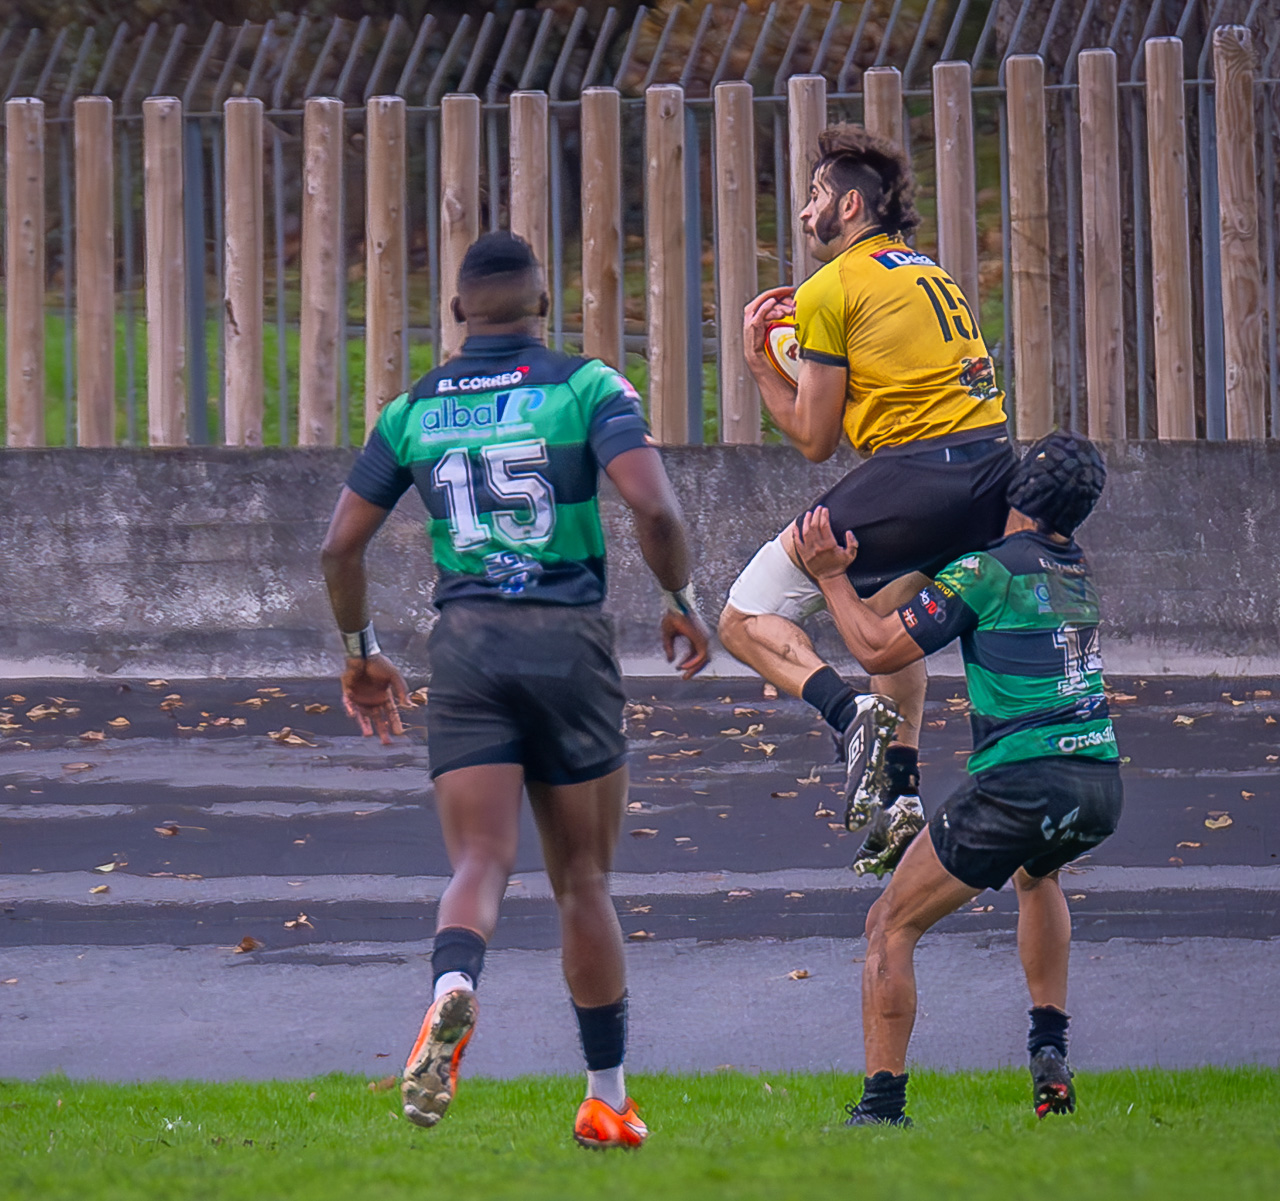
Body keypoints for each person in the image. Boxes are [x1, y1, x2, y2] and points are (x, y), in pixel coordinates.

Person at [319, 231, 710, 1149]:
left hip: (468, 650)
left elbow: (339, 547)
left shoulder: (411, 408)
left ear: (457, 313)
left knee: (479, 862)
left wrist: (360, 648)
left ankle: (454, 986)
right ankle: (606, 1095)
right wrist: (680, 598)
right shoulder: (586, 387)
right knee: (583, 878)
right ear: (543, 305)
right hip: (567, 645)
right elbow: (654, 506)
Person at [788, 431, 1123, 1126]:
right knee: (1039, 876)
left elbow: (879, 644)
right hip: (1097, 781)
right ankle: (1048, 1051)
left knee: (889, 922)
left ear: (1016, 493)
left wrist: (828, 576)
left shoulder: (987, 571)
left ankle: (881, 1108)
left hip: (1023, 781)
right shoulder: (1076, 567)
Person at [722, 124, 1016, 874]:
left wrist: (759, 364)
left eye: (815, 196)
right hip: (992, 471)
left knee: (740, 618)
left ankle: (848, 715)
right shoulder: (928, 271)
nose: (804, 213)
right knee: (884, 613)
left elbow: (815, 438)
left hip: (923, 474)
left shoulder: (830, 288)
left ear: (850, 206)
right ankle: (901, 793)